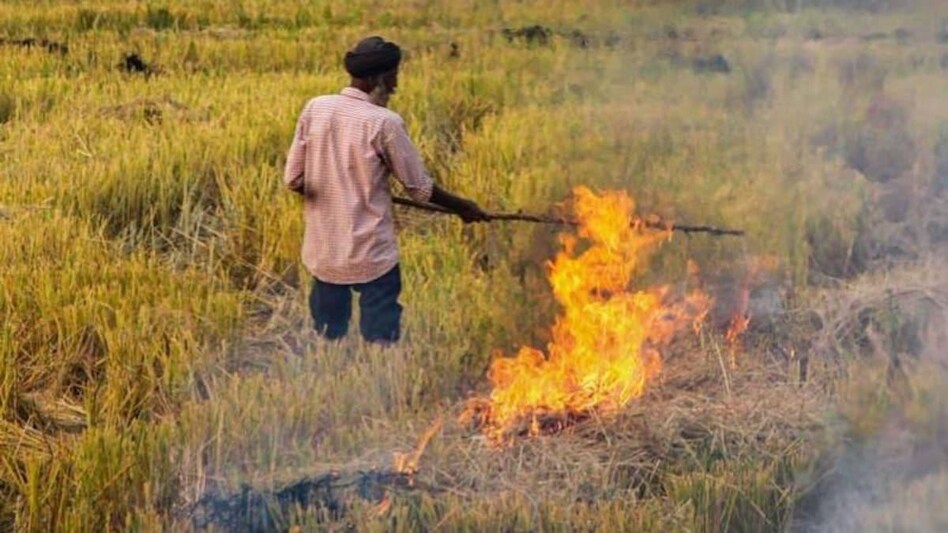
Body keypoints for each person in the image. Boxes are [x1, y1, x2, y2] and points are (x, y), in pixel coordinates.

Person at [284, 36, 489, 344]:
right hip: (371, 252)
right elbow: (420, 188)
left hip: (324, 249)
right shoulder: (385, 123)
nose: (396, 84)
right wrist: (464, 207)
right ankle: (379, 365)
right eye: (394, 76)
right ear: (377, 79)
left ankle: (333, 368)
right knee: (381, 342)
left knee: (328, 337)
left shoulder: (316, 108)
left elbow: (293, 179)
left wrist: (337, 187)